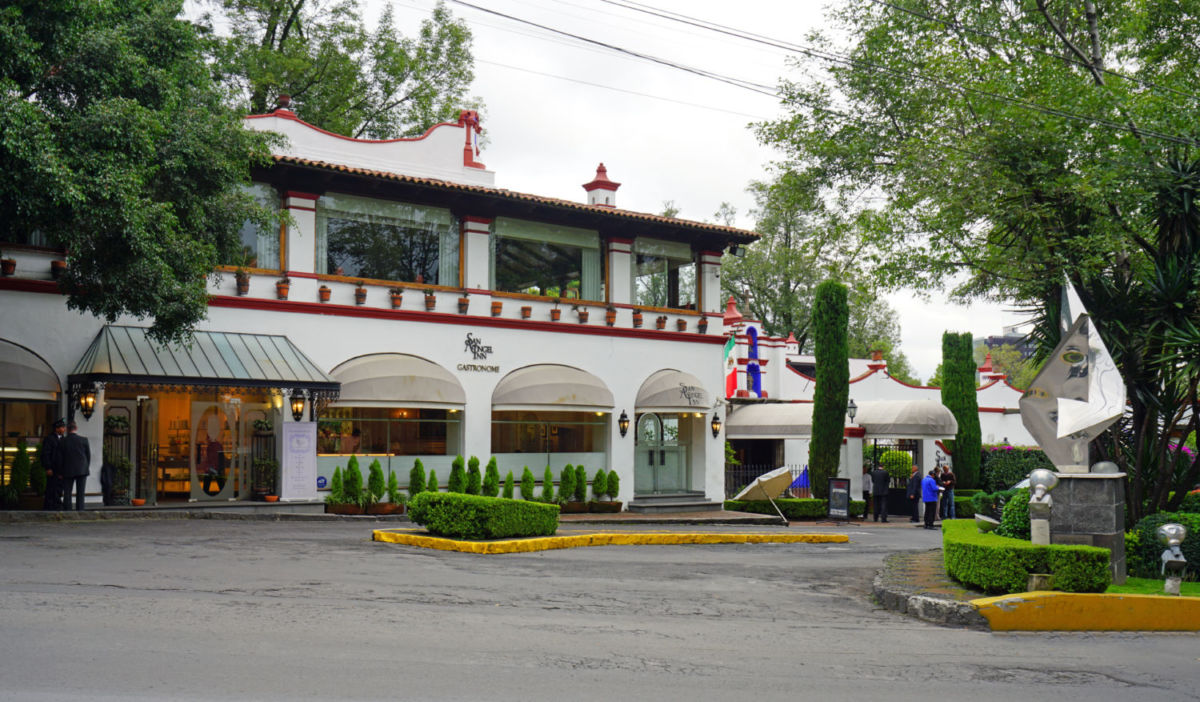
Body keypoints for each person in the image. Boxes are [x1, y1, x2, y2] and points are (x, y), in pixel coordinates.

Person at [59, 421, 91, 511]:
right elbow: (88, 456)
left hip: (67, 469)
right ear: (76, 428)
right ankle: (80, 510)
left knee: (67, 492)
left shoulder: (63, 441)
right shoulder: (84, 440)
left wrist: (60, 471)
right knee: (80, 492)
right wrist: (86, 466)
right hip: (82, 469)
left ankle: (68, 510)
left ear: (67, 430)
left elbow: (60, 457)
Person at [40, 419, 66, 509]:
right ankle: (50, 507)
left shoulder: (64, 439)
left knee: (59, 489)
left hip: (60, 469)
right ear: (56, 429)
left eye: (64, 427)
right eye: (62, 427)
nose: (64, 429)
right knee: (51, 489)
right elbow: (45, 454)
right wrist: (48, 467)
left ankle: (57, 506)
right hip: (52, 468)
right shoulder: (49, 439)